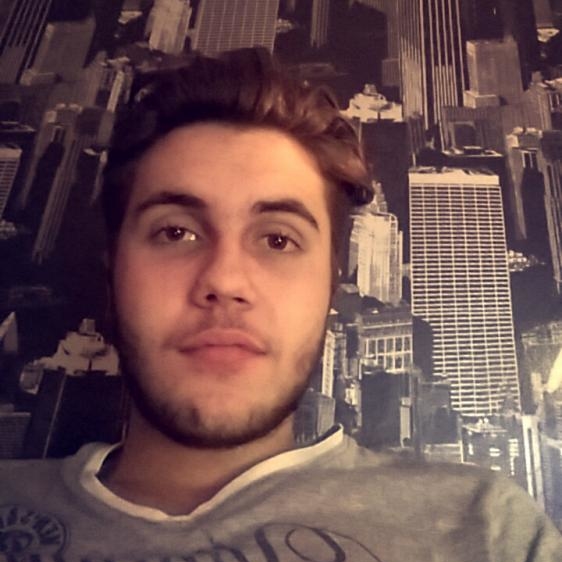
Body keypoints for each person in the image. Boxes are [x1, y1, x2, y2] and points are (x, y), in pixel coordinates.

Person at [1, 48, 561, 562]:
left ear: (330, 286)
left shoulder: (483, 528)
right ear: (113, 267)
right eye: (175, 232)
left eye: (277, 239)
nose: (225, 281)